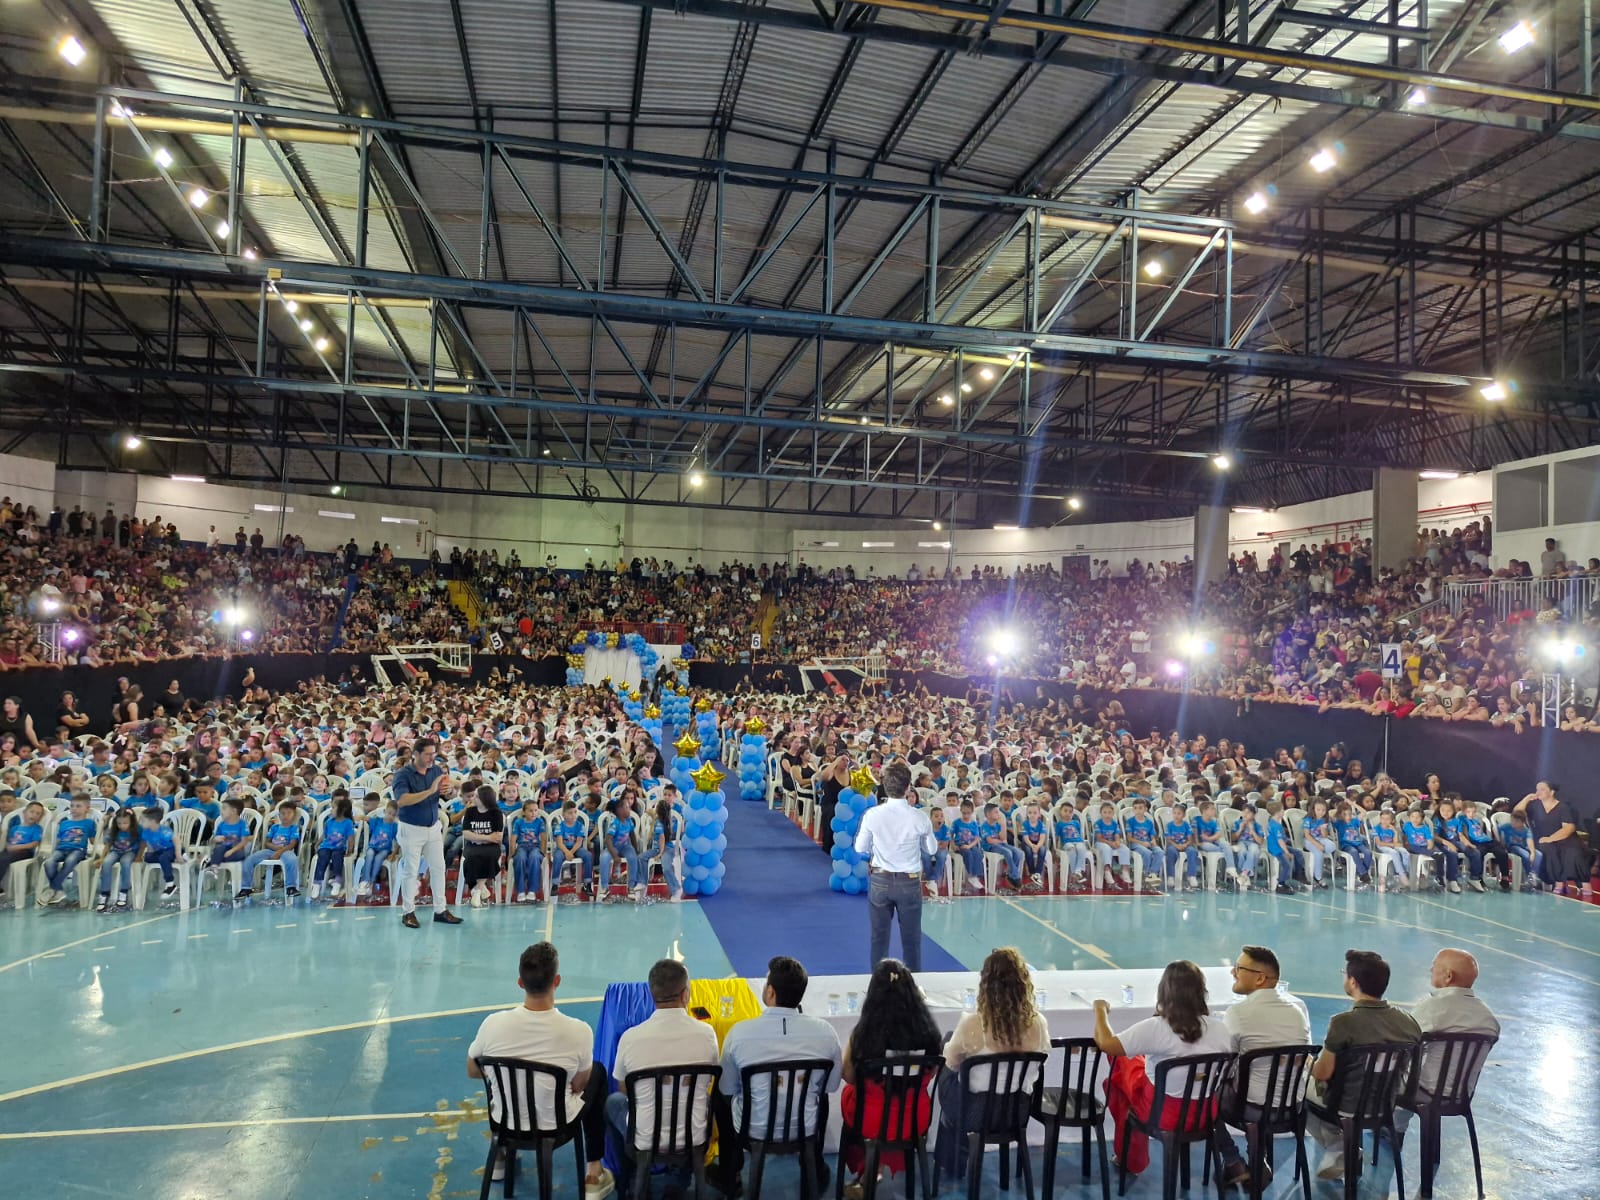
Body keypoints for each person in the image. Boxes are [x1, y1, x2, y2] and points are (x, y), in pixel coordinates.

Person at [466, 943, 615, 1198]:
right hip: (554, 1125)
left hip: (506, 1121)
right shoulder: (579, 1031)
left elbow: (472, 1069)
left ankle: (501, 1157)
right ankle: (593, 1172)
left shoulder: (492, 1024)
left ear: (520, 982)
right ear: (557, 981)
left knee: (499, 1084)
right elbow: (580, 1085)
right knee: (598, 1072)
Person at [712, 955, 841, 1197]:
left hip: (754, 1127)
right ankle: (812, 1165)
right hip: (805, 1127)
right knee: (819, 1097)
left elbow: (728, 1089)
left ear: (770, 992)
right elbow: (831, 1086)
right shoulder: (826, 1033)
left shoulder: (739, 1033)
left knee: (719, 1096)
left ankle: (731, 1171)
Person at [1093, 960, 1235, 1177]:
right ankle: (1129, 1158)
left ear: (1164, 991)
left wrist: (1100, 1011)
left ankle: (1131, 1159)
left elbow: (1106, 1044)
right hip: (1204, 1113)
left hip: (1162, 1113)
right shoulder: (1220, 1029)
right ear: (1201, 992)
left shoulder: (1157, 1027)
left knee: (1119, 1068)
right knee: (1127, 1069)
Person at [605, 959, 719, 1197]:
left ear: (650, 993)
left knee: (613, 1102)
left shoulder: (631, 1037)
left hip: (644, 1136)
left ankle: (629, 1177)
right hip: (693, 1135)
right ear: (685, 995)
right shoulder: (707, 1034)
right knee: (702, 1101)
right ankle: (680, 1179)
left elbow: (624, 1089)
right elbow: (707, 1083)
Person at [1307, 950, 1422, 1182]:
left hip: (1346, 1106)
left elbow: (1323, 1073)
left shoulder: (1343, 1023)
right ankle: (1343, 1149)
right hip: (1386, 1105)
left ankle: (1339, 1145)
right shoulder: (1408, 1022)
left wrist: (1308, 1064)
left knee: (1299, 1092)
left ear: (1352, 981)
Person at [937, 947, 1051, 1176]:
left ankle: (952, 1162)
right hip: (1016, 1112)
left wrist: (948, 1046)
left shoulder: (973, 1024)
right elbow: (1041, 1062)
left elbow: (950, 1062)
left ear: (985, 984)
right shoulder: (1038, 1024)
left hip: (974, 1112)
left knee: (948, 1057)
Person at [838, 958, 942, 1199]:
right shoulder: (928, 1034)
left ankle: (868, 1173)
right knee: (893, 1110)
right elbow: (932, 1071)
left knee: (851, 1099)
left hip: (871, 1119)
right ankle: (874, 1171)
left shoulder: (863, 1034)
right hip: (914, 1118)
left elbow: (848, 1076)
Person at [1210, 946, 1312, 1190]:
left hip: (1252, 1109)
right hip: (1292, 1108)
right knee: (1260, 1084)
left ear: (1260, 978)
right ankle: (1260, 1159)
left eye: (1239, 968)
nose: (1233, 972)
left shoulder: (1239, 1013)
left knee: (1204, 1098)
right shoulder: (1297, 1013)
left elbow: (1224, 1060)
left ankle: (1233, 1161)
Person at [854, 760, 935, 971]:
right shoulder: (919, 817)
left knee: (878, 938)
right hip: (909, 882)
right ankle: (913, 987)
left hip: (880, 879)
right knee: (911, 940)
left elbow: (860, 847)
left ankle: (877, 985)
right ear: (908, 787)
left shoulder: (872, 815)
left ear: (885, 786)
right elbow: (932, 850)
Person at [1410, 948, 1500, 1100]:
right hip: (1462, 1094)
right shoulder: (1488, 1018)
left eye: (1435, 966)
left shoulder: (1433, 1007)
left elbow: (1405, 1039)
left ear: (1448, 976)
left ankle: (1394, 1123)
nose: (1431, 969)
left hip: (1425, 1089)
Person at [392, 737, 461, 926]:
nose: (432, 758)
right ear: (415, 754)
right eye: (428, 754)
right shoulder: (403, 774)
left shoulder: (436, 770)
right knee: (411, 871)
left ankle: (440, 909)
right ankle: (408, 912)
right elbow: (402, 800)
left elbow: (447, 793)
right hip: (411, 828)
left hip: (433, 827)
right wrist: (431, 790)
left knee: (439, 868)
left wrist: (449, 791)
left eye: (434, 754)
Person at [1514, 782, 1588, 895]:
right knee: (1548, 848)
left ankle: (1585, 884)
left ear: (1552, 792)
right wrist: (1527, 798)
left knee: (1574, 851)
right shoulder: (1535, 806)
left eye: (1542, 789)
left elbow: (1569, 827)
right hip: (1542, 839)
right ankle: (1558, 882)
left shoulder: (1563, 807)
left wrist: (1551, 838)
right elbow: (1517, 813)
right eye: (1537, 789)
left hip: (1563, 837)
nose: (1538, 792)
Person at [39, 795, 96, 906]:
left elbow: (93, 840)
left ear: (87, 809)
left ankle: (53, 887)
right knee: (49, 862)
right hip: (62, 849)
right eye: (72, 806)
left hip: (78, 850)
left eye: (78, 806)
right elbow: (59, 840)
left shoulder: (89, 822)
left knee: (70, 861)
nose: (74, 808)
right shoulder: (65, 823)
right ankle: (58, 890)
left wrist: (103, 825)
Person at [460, 784, 506, 908]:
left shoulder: (496, 813)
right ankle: (481, 889)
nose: (473, 798)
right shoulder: (470, 811)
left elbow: (497, 837)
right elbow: (466, 834)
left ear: (484, 799)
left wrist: (478, 837)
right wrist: (486, 837)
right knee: (470, 857)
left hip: (491, 846)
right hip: (473, 845)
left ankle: (476, 891)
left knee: (488, 856)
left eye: (476, 796)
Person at [93, 805, 141, 912]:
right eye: (119, 823)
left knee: (125, 863)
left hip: (130, 852)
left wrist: (139, 856)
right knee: (106, 863)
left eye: (125, 823)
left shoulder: (137, 830)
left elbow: (143, 843)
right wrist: (102, 858)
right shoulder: (114, 830)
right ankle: (104, 893)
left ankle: (123, 892)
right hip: (116, 851)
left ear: (131, 822)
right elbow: (108, 844)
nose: (122, 826)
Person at [311, 794, 356, 901]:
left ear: (342, 810)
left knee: (337, 856)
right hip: (326, 846)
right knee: (322, 857)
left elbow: (351, 837)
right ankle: (317, 883)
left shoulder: (348, 823)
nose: (331, 810)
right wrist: (317, 844)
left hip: (339, 848)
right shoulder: (329, 821)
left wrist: (350, 849)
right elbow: (324, 835)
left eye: (334, 808)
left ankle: (337, 881)